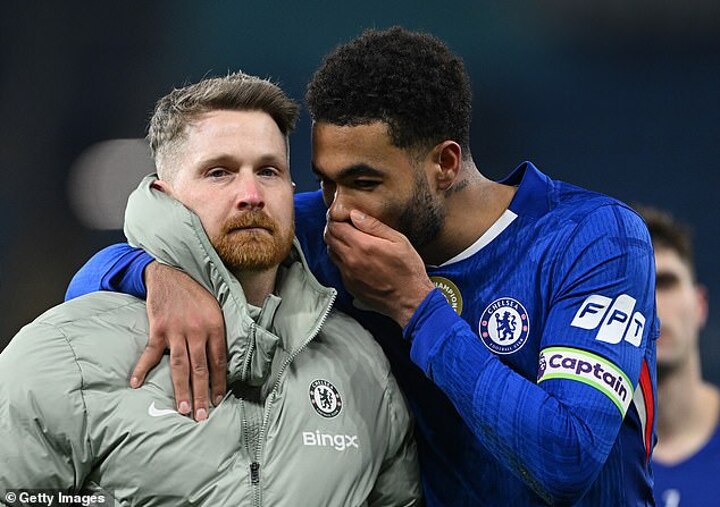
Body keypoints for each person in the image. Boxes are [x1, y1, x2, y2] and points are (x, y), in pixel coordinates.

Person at [67, 27, 658, 505]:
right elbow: (88, 284)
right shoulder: (324, 230)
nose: (339, 209)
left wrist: (417, 310)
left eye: (364, 182)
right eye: (326, 182)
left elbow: (567, 460)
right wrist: (155, 276)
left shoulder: (593, 239)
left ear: (445, 164)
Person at [0, 72, 421, 505]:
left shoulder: (363, 367)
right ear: (165, 195)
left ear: (291, 190)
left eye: (269, 171)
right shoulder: (62, 356)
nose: (251, 194)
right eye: (219, 173)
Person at [636, 206, 720, 507]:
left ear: (700, 305)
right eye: (636, 286)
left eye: (666, 283)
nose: (653, 305)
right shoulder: (583, 457)